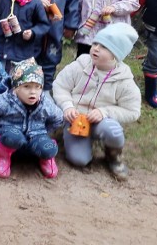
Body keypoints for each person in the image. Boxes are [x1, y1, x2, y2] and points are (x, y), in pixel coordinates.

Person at [53, 23, 141, 180]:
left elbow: (133, 111)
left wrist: (104, 112)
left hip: (102, 122)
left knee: (113, 131)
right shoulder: (80, 65)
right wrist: (67, 106)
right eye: (95, 43)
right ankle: (78, 142)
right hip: (76, 120)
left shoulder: (124, 80)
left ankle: (113, 156)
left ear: (116, 54)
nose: (96, 48)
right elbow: (60, 86)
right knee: (79, 160)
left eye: (104, 47)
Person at [0, 58, 63, 179]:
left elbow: (59, 118)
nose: (33, 92)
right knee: (13, 137)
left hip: (36, 136)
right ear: (16, 88)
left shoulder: (45, 104)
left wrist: (45, 131)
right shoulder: (6, 101)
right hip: (10, 132)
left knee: (49, 148)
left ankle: (44, 158)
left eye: (37, 87)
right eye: (27, 87)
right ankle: (2, 154)